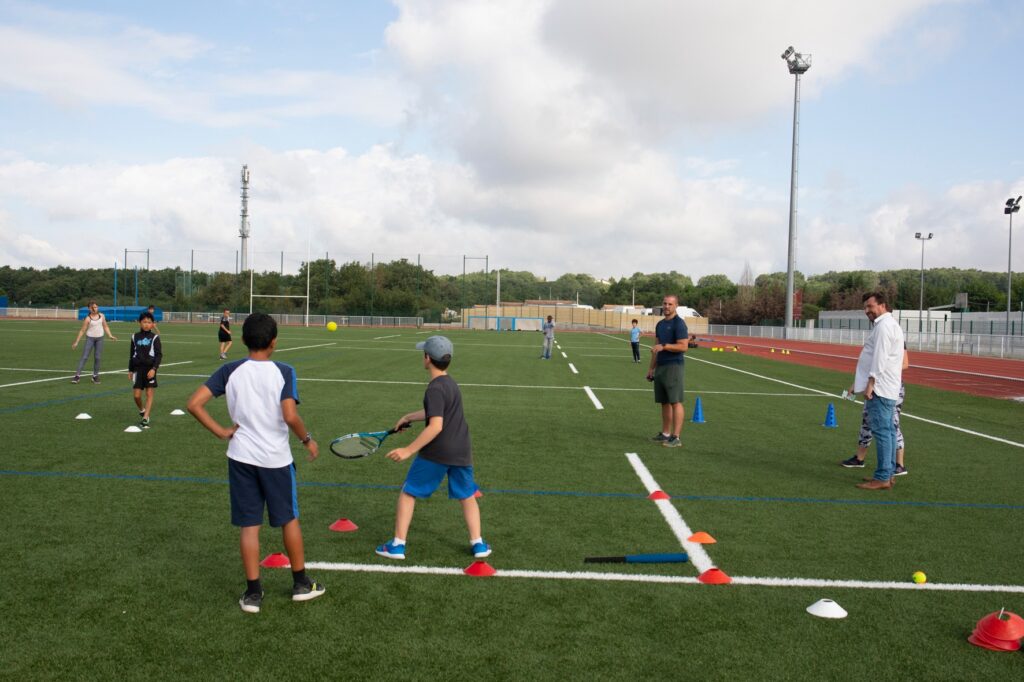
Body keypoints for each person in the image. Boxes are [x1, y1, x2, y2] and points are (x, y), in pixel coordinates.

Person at [186, 312, 325, 614]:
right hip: (275, 460)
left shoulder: (230, 370)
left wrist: (221, 431)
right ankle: (301, 583)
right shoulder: (284, 370)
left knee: (250, 525)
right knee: (288, 518)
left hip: (241, 458)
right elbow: (289, 415)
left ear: (245, 340)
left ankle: (252, 593)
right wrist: (307, 439)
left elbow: (193, 404)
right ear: (274, 341)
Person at [375, 335, 490, 561]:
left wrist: (408, 450)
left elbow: (436, 426)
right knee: (467, 496)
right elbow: (437, 412)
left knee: (408, 492)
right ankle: (478, 544)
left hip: (437, 452)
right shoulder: (451, 384)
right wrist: (409, 416)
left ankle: (397, 545)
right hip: (461, 450)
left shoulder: (434, 388)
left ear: (427, 358)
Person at [849, 292, 905, 490]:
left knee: (882, 432)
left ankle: (882, 477)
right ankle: (888, 474)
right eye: (865, 307)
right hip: (887, 386)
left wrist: (870, 384)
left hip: (880, 388)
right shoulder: (889, 325)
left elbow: (879, 358)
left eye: (870, 307)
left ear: (882, 305)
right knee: (888, 432)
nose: (867, 311)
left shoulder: (884, 327)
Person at [842, 346, 911, 475]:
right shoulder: (878, 337)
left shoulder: (894, 336)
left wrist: (884, 369)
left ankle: (899, 464)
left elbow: (905, 364)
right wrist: (856, 384)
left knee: (892, 423)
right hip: (875, 385)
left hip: (890, 386)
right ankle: (859, 459)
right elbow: (872, 366)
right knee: (867, 420)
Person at [646, 295, 688, 448]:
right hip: (661, 366)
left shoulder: (679, 324)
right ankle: (665, 434)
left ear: (676, 306)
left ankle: (676, 437)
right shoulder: (660, 324)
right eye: (664, 303)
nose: (666, 306)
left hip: (674, 366)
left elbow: (683, 346)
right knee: (664, 402)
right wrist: (651, 368)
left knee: (675, 401)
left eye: (670, 304)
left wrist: (665, 346)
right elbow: (656, 349)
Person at [128, 311, 162, 429]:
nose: (146, 324)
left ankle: (145, 418)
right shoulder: (134, 337)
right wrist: (130, 370)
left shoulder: (155, 338)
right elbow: (132, 354)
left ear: (153, 324)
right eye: (144, 322)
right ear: (139, 323)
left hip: (150, 369)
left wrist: (154, 369)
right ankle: (142, 410)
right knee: (137, 396)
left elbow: (159, 355)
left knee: (149, 394)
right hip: (138, 369)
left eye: (149, 322)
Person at [71, 300, 117, 384]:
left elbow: (105, 326)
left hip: (100, 339)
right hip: (90, 339)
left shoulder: (102, 316)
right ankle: (77, 376)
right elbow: (82, 331)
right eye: (92, 307)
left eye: (95, 307)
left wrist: (110, 335)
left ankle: (95, 376)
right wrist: (76, 342)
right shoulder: (88, 319)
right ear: (89, 309)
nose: (94, 309)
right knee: (84, 357)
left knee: (97, 357)